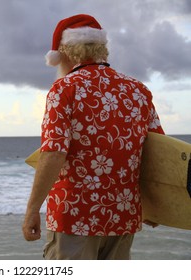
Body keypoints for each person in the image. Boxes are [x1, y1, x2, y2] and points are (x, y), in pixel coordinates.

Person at [22, 14, 165, 260]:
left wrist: (32, 209)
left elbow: (54, 152)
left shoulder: (64, 89)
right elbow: (158, 153)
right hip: (123, 214)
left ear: (65, 53)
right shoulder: (138, 91)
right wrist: (156, 206)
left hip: (74, 215)